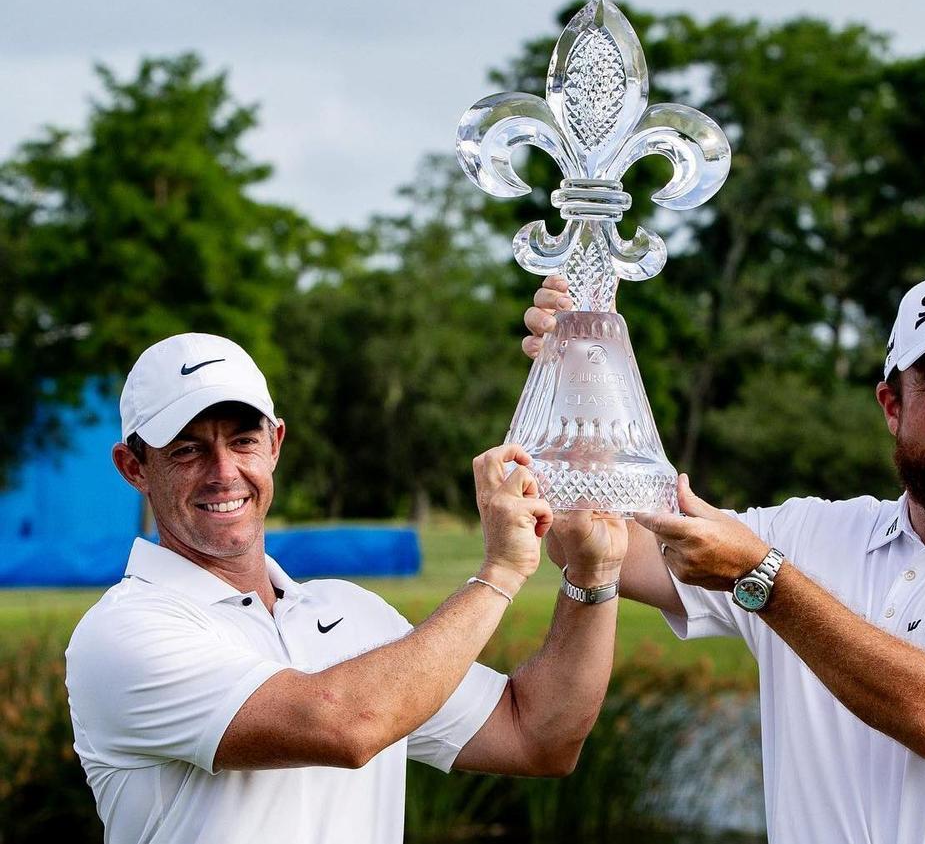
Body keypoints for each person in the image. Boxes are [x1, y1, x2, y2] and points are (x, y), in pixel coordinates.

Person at [522, 269, 925, 844]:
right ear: (893, 405)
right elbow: (598, 537)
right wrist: (585, 365)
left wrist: (765, 580)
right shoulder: (808, 533)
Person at [65, 332, 627, 844]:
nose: (224, 471)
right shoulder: (122, 633)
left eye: (243, 441)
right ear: (133, 467)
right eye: (187, 450)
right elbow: (347, 726)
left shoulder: (353, 611)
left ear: (275, 444)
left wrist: (591, 573)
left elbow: (536, 738)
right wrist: (499, 572)